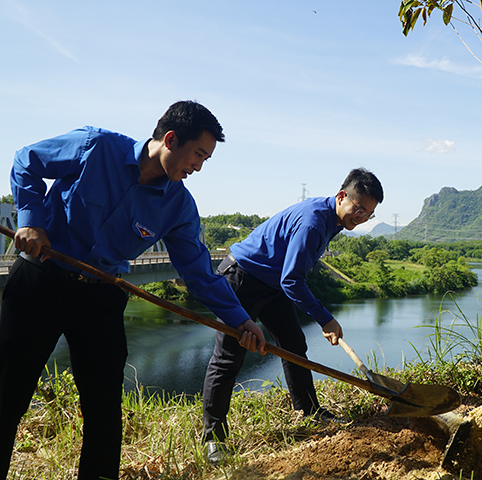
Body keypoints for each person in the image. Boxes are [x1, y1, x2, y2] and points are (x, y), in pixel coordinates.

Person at [0, 101, 268, 480]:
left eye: (206, 158)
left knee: (105, 408)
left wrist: (241, 321)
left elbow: (201, 275)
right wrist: (30, 220)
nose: (199, 166)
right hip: (40, 279)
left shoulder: (179, 207)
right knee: (6, 395)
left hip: (101, 296)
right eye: (198, 154)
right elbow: (27, 160)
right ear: (170, 140)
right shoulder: (97, 147)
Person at [201, 168, 383, 465]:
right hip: (242, 280)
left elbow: (287, 277)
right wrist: (325, 318)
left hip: (270, 284)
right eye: (358, 208)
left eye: (368, 214)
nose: (361, 217)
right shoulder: (313, 223)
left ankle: (309, 410)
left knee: (293, 343)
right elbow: (292, 281)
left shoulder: (333, 217)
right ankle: (213, 439)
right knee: (228, 359)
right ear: (341, 196)